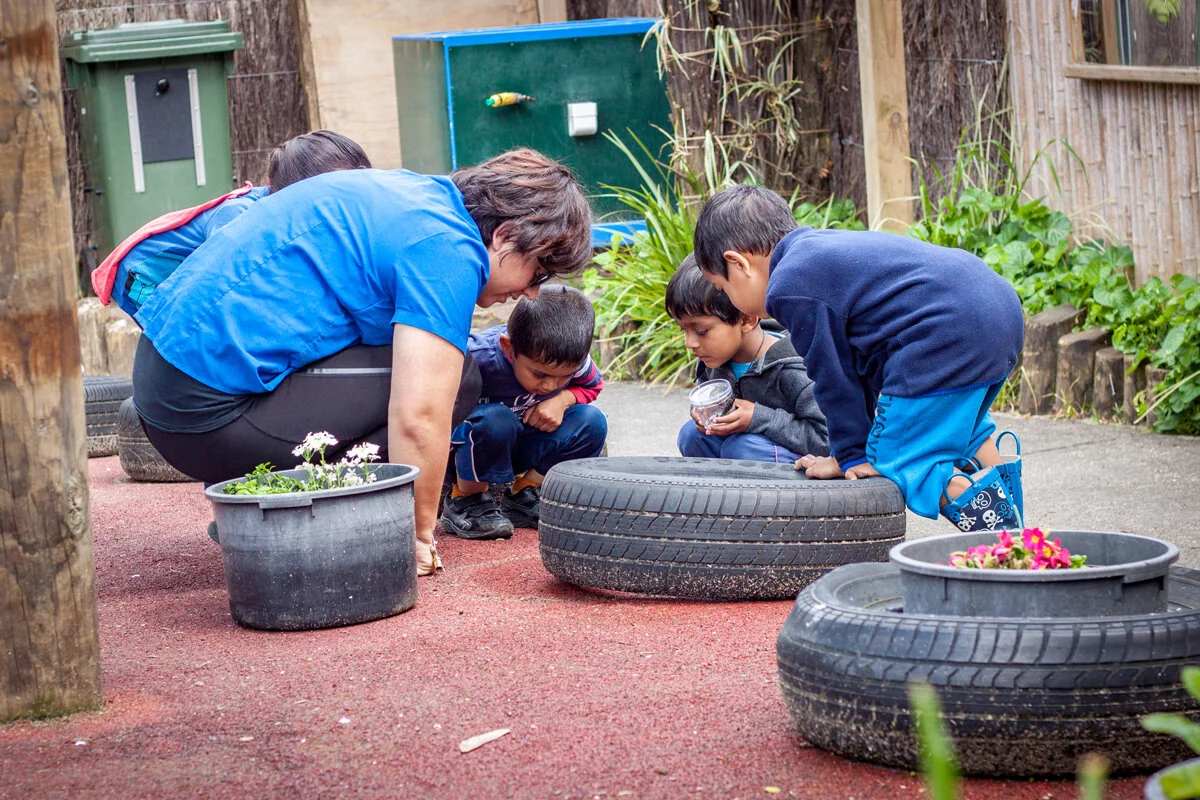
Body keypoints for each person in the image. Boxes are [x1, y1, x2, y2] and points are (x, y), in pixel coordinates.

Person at [130, 148, 593, 574]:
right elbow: (420, 416)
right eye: (540, 270)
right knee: (460, 378)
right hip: (201, 416)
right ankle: (339, 520)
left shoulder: (416, 194)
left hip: (168, 382)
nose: (533, 291)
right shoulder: (447, 246)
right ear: (506, 234)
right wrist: (416, 536)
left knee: (435, 366)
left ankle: (279, 504)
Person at [691, 185, 1025, 532]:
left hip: (945, 334)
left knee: (905, 463)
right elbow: (855, 367)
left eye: (722, 287)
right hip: (996, 309)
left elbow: (833, 379)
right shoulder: (819, 252)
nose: (727, 298)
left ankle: (1008, 549)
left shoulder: (789, 286)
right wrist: (846, 450)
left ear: (738, 264)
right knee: (966, 431)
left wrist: (854, 457)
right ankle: (1021, 530)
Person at [93, 130, 372, 321]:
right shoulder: (241, 215)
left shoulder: (286, 215)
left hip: (173, 272)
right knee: (178, 342)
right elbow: (220, 275)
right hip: (143, 275)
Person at [440, 285, 607, 539]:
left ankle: (524, 494)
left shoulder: (573, 362)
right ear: (508, 348)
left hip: (516, 445)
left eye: (564, 377)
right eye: (539, 374)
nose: (550, 385)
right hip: (465, 450)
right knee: (496, 419)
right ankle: (465, 500)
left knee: (592, 421)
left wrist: (563, 399)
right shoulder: (476, 359)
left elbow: (593, 385)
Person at [666, 254, 828, 463]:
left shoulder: (795, 367)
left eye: (701, 331)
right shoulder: (713, 360)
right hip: (744, 447)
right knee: (692, 436)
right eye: (684, 330)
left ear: (746, 319)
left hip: (801, 460)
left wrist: (758, 418)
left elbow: (826, 438)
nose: (690, 343)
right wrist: (702, 414)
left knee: (743, 449)